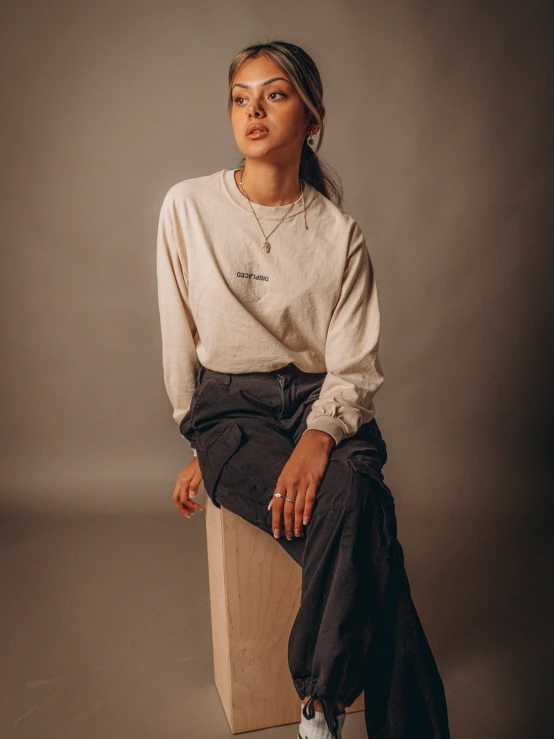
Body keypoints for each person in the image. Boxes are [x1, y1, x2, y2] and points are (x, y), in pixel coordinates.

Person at [156, 40, 450, 739]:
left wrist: (320, 435)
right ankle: (327, 706)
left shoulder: (339, 234)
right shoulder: (188, 206)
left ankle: (317, 705)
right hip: (231, 408)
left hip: (326, 407)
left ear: (312, 117)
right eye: (240, 96)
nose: (253, 109)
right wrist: (204, 436)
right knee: (371, 532)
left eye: (275, 94)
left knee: (352, 493)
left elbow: (353, 366)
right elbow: (178, 334)